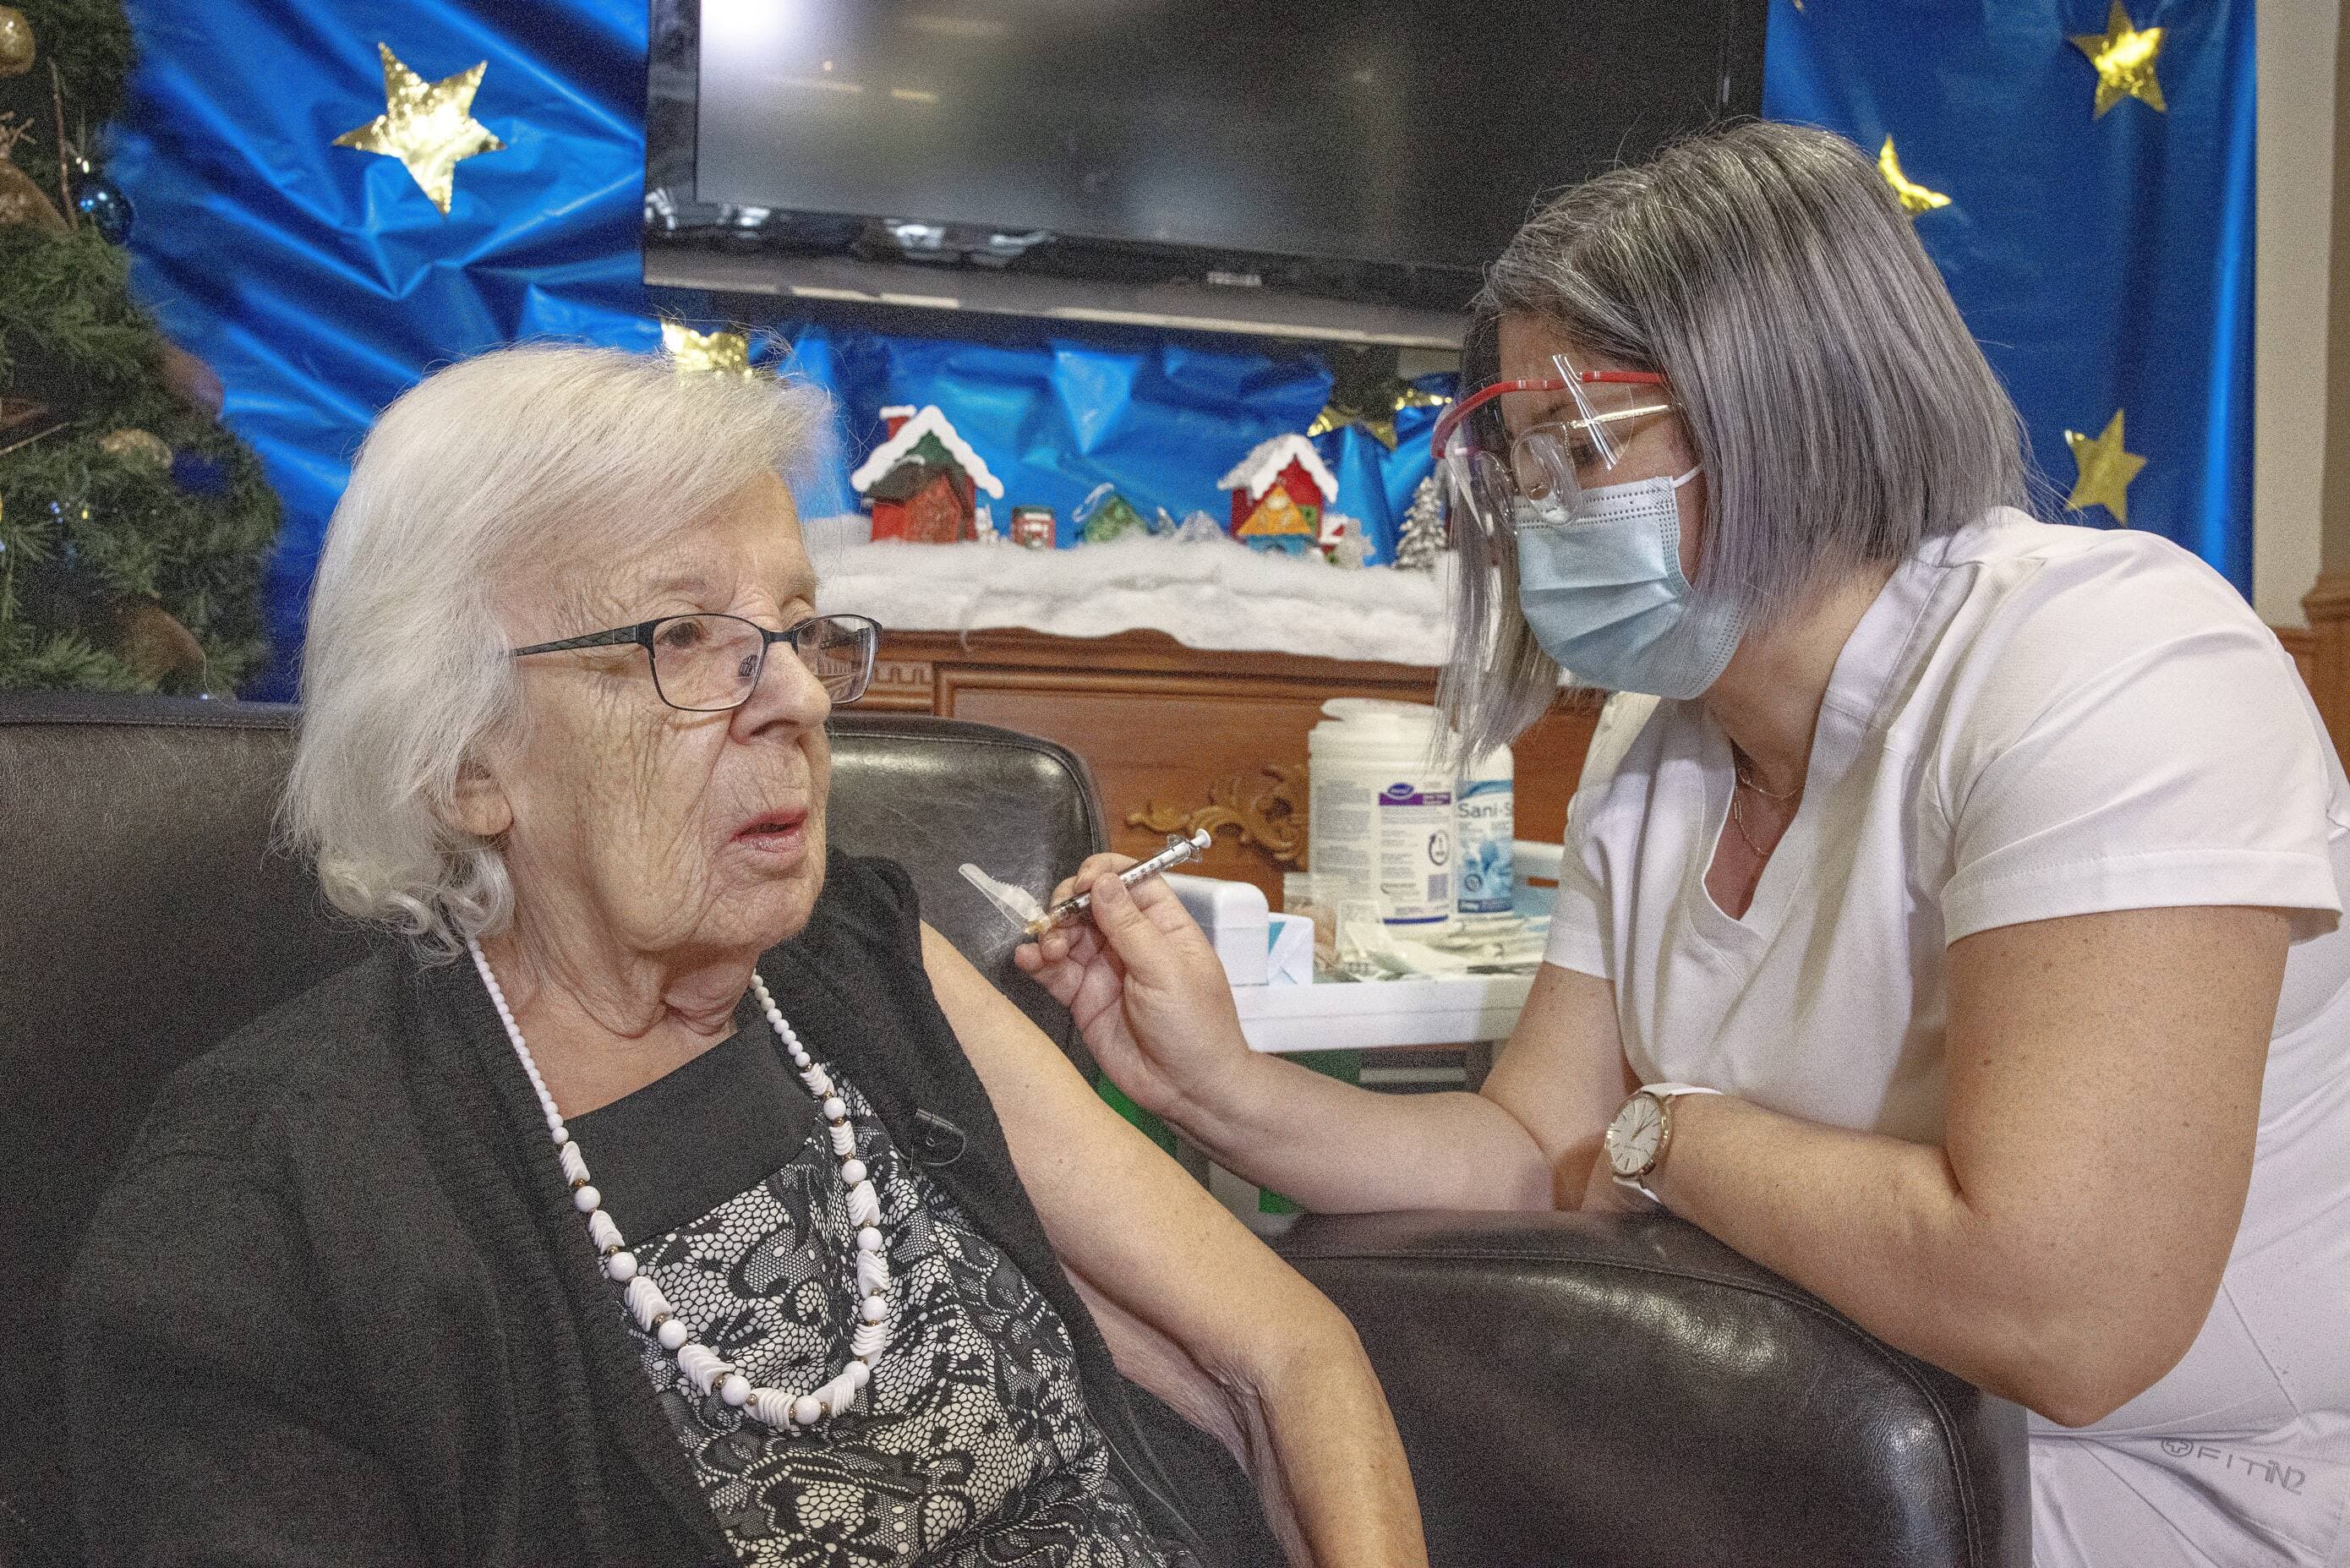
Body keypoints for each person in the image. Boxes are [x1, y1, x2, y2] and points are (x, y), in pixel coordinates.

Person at [1019, 123, 2350, 1568]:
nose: (1537, 509)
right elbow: (1533, 1148)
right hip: (1816, 1447)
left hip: (2183, 1496)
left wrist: (1669, 1135)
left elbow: (2063, 1314)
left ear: (1792, 406)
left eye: (1580, 441)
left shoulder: (2109, 662)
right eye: (1518, 456)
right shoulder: (1660, 740)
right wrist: (1219, 1085)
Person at [62, 346, 1426, 1568]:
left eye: (796, 628)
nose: (800, 696)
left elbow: (1289, 1355)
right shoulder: (266, 1200)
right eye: (680, 640)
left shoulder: (866, 962)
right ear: (464, 757)